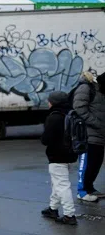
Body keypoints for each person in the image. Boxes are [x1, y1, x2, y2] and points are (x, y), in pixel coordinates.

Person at [41, 91, 79, 225]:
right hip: (71, 154)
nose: (48, 102)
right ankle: (53, 208)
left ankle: (69, 215)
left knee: (62, 185)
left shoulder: (54, 117)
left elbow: (45, 140)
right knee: (57, 182)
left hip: (57, 155)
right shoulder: (71, 113)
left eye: (49, 100)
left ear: (54, 102)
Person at [72, 71, 105, 202]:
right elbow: (79, 108)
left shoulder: (101, 92)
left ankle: (89, 187)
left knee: (96, 163)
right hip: (87, 135)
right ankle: (82, 191)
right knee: (86, 164)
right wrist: (96, 123)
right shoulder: (87, 88)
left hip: (100, 135)